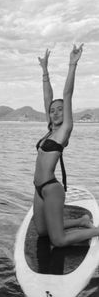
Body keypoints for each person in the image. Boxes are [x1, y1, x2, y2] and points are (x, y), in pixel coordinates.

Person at [33, 44, 99, 246]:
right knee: (42, 231)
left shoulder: (64, 131)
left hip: (52, 189)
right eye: (53, 110)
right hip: (38, 187)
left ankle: (96, 230)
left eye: (60, 109)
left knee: (58, 241)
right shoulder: (50, 129)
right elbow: (47, 97)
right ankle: (81, 221)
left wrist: (72, 64)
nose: (55, 112)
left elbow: (67, 94)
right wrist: (45, 70)